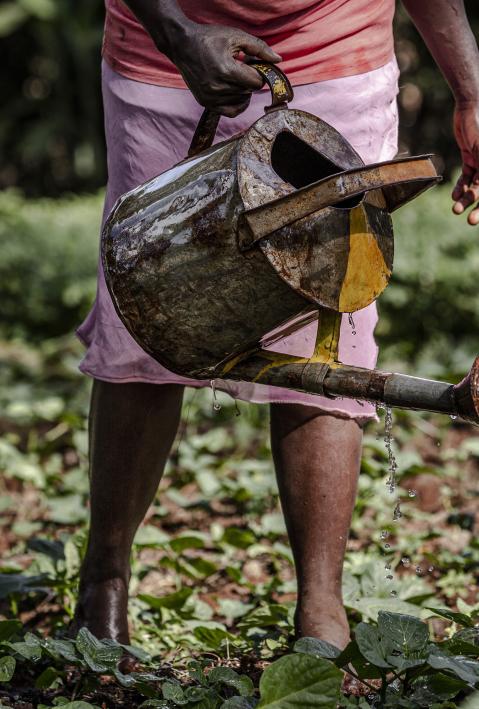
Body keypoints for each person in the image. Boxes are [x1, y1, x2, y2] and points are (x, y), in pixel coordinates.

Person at [74, 0, 479, 652]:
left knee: (327, 333)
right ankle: (105, 580)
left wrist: (469, 88)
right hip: (163, 53)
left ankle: (320, 609)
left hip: (333, 53)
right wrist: (176, 34)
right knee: (142, 325)